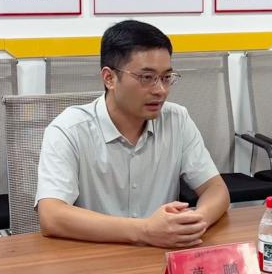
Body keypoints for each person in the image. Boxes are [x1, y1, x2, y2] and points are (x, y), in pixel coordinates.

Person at [36, 20, 229, 247]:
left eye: (166, 77)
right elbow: (51, 215)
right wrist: (145, 231)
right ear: (109, 78)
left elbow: (216, 189)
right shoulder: (69, 130)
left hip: (160, 254)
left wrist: (193, 222)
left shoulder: (177, 119)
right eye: (147, 78)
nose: (161, 90)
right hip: (95, 255)